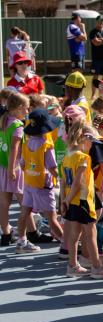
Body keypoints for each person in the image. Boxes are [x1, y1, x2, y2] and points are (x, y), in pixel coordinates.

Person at [60, 121, 103, 279]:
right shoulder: (84, 158)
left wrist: (64, 200)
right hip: (83, 200)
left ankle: (72, 265)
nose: (92, 144)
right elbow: (77, 182)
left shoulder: (68, 156)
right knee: (91, 233)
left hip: (72, 201)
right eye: (91, 139)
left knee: (74, 234)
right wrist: (67, 199)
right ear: (84, 138)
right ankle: (97, 266)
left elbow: (63, 181)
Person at [15, 108, 64, 256]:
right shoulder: (46, 145)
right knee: (52, 218)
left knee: (24, 212)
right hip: (44, 185)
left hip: (29, 182)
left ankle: (21, 241)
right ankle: (67, 244)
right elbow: (52, 167)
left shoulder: (27, 143)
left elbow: (22, 164)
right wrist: (62, 179)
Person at [0, 93, 30, 247]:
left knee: (4, 203)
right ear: (18, 108)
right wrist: (12, 169)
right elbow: (14, 148)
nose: (27, 111)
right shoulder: (17, 126)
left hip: (2, 166)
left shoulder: (3, 121)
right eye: (26, 108)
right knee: (25, 202)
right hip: (14, 168)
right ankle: (29, 232)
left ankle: (6, 234)